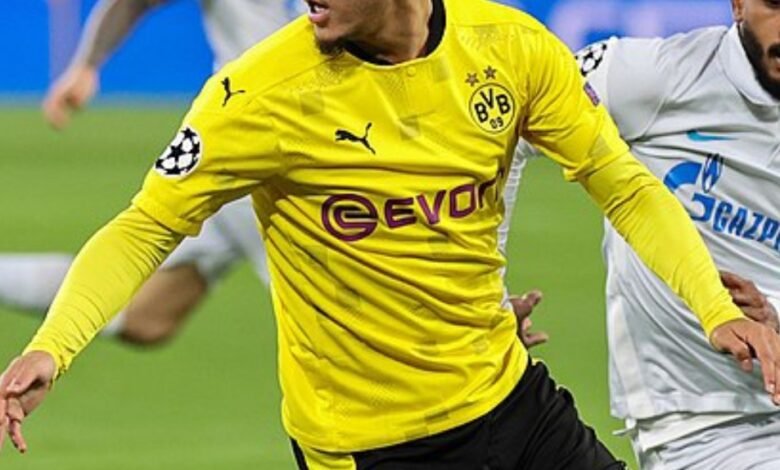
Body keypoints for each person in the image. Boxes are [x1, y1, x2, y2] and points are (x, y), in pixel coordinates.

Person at [2, 0, 780, 467]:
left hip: (513, 403)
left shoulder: (509, 50)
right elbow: (144, 227)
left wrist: (714, 309)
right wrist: (53, 346)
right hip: (372, 446)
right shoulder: (257, 95)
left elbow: (627, 188)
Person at [515, 0, 780, 467]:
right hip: (706, 426)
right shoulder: (655, 76)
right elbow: (494, 128)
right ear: (738, 5)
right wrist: (480, 300)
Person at [0, 0, 303, 344]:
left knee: (146, 313)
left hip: (241, 154)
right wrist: (87, 64)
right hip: (281, 160)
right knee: (338, 325)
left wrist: (87, 65)